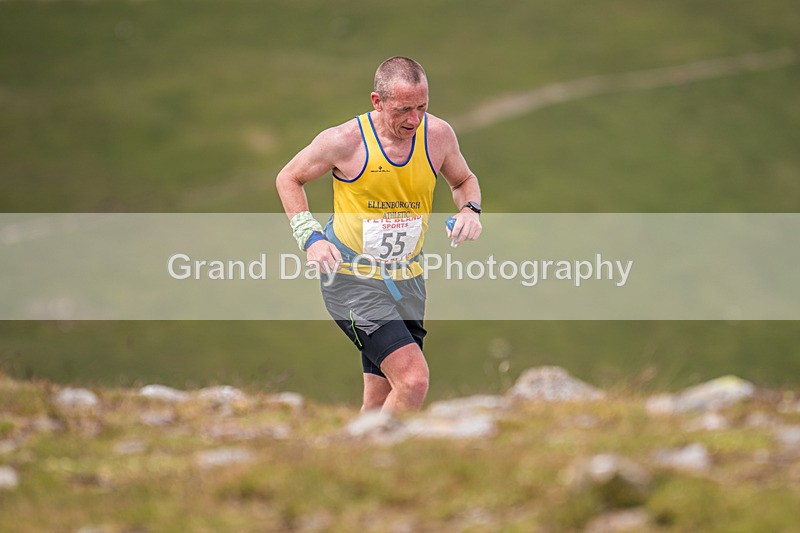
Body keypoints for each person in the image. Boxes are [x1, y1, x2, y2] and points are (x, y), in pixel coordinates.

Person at [276, 56, 482, 412]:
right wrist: (310, 237)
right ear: (378, 101)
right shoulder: (344, 141)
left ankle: (360, 445)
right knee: (413, 380)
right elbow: (288, 178)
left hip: (409, 279)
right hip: (351, 280)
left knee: (381, 395)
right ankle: (388, 445)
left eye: (422, 107)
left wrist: (470, 210)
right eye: (403, 110)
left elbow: (464, 180)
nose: (414, 119)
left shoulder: (438, 136)